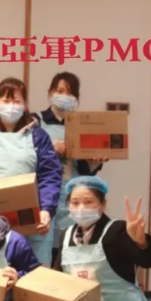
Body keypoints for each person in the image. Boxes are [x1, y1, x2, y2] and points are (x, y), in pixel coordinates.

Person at [0, 77, 62, 265]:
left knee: (34, 276)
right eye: (6, 100)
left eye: (16, 101)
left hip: (32, 219)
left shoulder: (38, 136)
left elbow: (50, 175)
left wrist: (46, 209)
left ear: (25, 105)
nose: (11, 106)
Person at [38, 72, 108, 256]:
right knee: (41, 250)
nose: (64, 97)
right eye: (60, 91)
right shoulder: (35, 121)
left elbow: (84, 170)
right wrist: (49, 146)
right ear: (50, 92)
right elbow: (25, 156)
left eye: (70, 93)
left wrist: (94, 163)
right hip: (42, 195)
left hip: (72, 195)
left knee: (68, 249)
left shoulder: (81, 125)